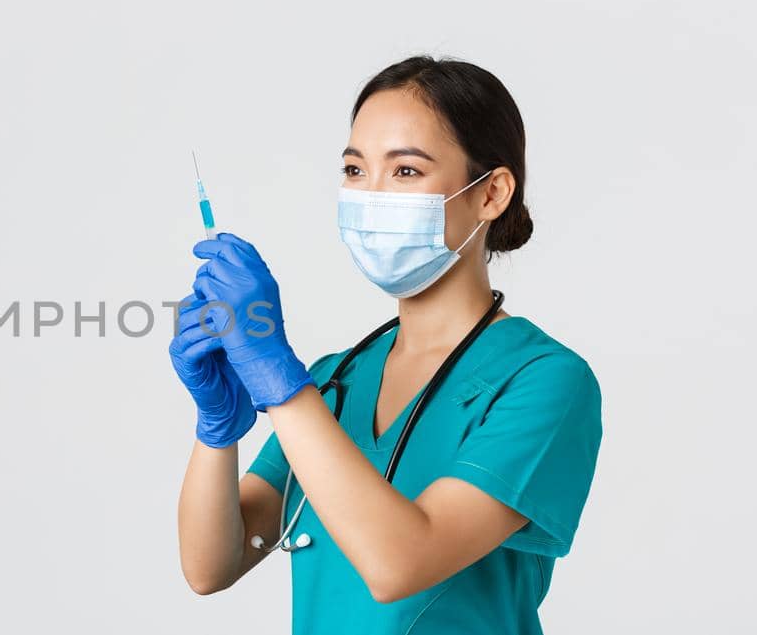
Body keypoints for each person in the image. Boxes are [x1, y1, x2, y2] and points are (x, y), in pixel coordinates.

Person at [171, 56, 602, 635]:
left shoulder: (543, 380)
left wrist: (278, 381)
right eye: (355, 170)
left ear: (492, 193)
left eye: (405, 172)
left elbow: (400, 564)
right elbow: (210, 565)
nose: (370, 195)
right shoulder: (334, 381)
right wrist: (216, 430)